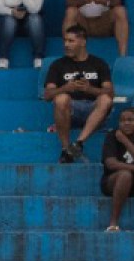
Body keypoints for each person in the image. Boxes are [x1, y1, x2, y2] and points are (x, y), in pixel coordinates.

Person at [43, 25, 114, 162]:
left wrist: (90, 89)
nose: (66, 45)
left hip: (94, 111)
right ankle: (66, 149)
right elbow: (47, 95)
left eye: (71, 41)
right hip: (71, 111)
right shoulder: (58, 65)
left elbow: (110, 93)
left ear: (83, 42)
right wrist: (65, 88)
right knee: (61, 98)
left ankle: (78, 144)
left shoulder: (99, 63)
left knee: (105, 99)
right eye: (65, 41)